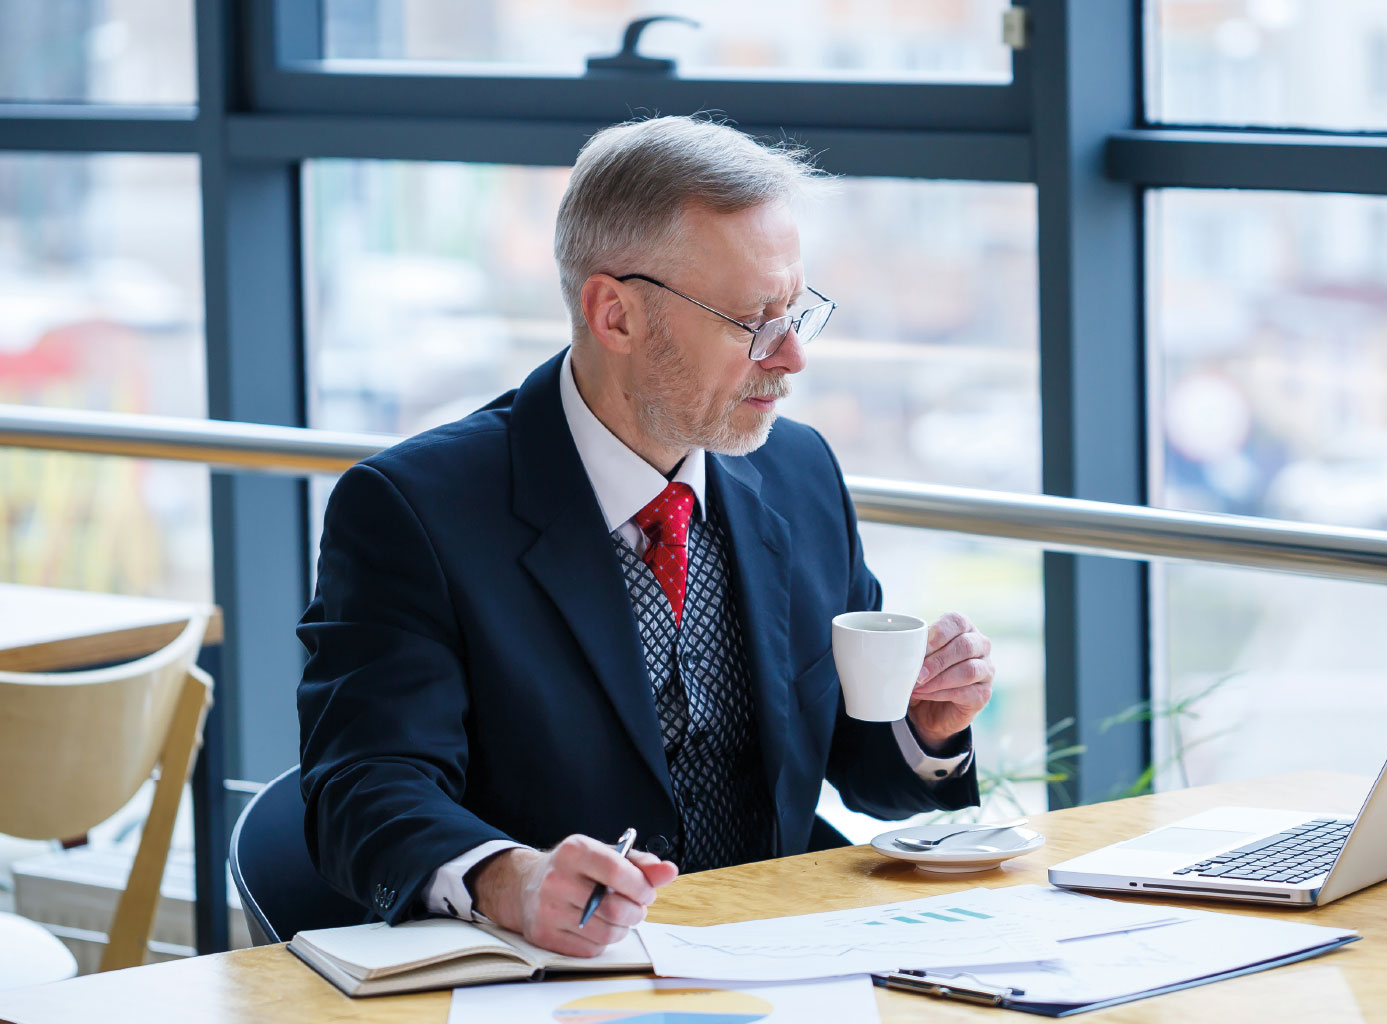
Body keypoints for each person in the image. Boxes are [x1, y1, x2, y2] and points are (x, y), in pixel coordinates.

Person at [297, 114, 997, 958]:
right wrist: (508, 878)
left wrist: (923, 728)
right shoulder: (413, 510)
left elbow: (863, 768)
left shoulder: (800, 473)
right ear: (614, 315)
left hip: (787, 960)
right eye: (751, 321)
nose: (790, 357)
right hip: (552, 980)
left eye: (794, 311)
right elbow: (364, 787)